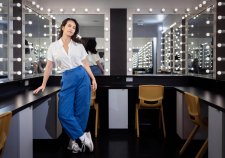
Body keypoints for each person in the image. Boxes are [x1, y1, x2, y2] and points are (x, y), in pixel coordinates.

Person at [33, 18, 97, 153]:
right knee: (64, 113)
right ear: (62, 27)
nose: (71, 29)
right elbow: (49, 67)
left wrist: (93, 79)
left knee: (81, 111)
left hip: (82, 77)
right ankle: (83, 137)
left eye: (74, 27)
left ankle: (73, 143)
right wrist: (43, 84)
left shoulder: (78, 46)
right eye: (69, 26)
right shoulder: (53, 46)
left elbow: (85, 64)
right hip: (67, 77)